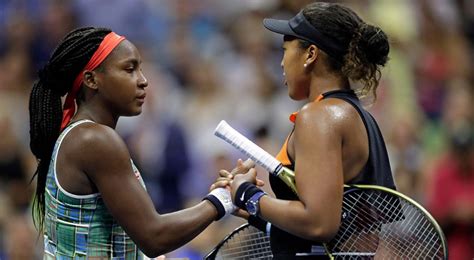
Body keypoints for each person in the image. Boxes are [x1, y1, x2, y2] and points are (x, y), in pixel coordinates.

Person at [28, 27, 252, 259]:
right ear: (92, 79)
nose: (143, 81)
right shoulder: (95, 140)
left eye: (140, 69)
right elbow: (154, 237)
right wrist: (223, 199)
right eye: (129, 69)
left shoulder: (81, 135)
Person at [222, 2, 395, 259]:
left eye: (285, 50)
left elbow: (319, 224)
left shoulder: (319, 117)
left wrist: (250, 195)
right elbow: (332, 235)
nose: (281, 63)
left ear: (310, 54)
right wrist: (258, 212)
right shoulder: (354, 115)